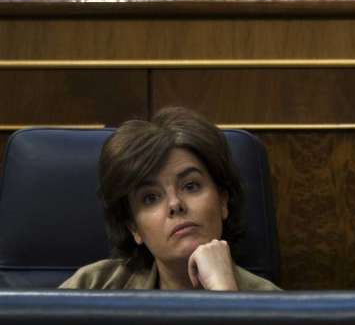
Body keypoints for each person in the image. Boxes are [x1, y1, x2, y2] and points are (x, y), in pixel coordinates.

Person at [60, 107, 279, 290]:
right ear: (134, 228)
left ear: (223, 201)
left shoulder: (272, 303)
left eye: (191, 186)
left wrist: (226, 294)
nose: (175, 204)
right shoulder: (94, 286)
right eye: (150, 198)